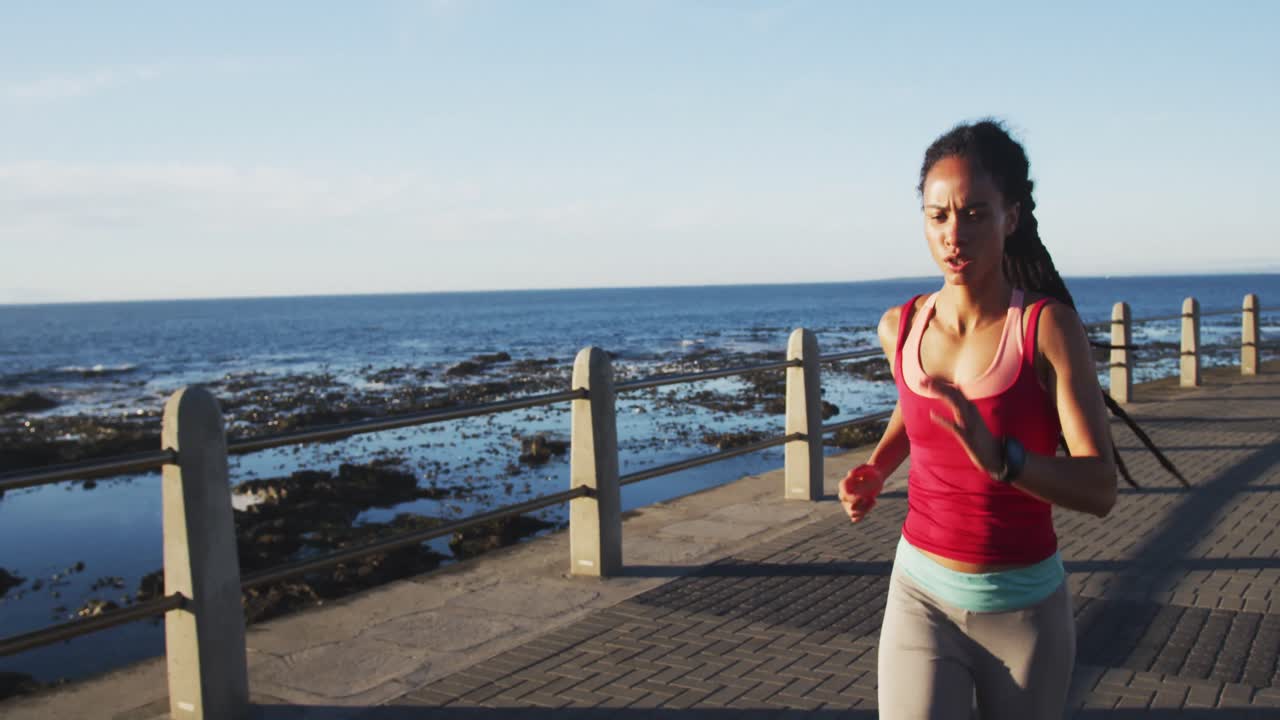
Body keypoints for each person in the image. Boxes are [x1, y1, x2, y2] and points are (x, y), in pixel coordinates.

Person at [838, 119, 1117, 719]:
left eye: (974, 214)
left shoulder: (1046, 329)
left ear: (1011, 217)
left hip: (1024, 610)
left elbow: (1100, 487)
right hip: (920, 595)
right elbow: (919, 406)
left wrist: (1003, 460)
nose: (953, 234)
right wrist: (879, 466)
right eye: (937, 216)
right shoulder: (901, 324)